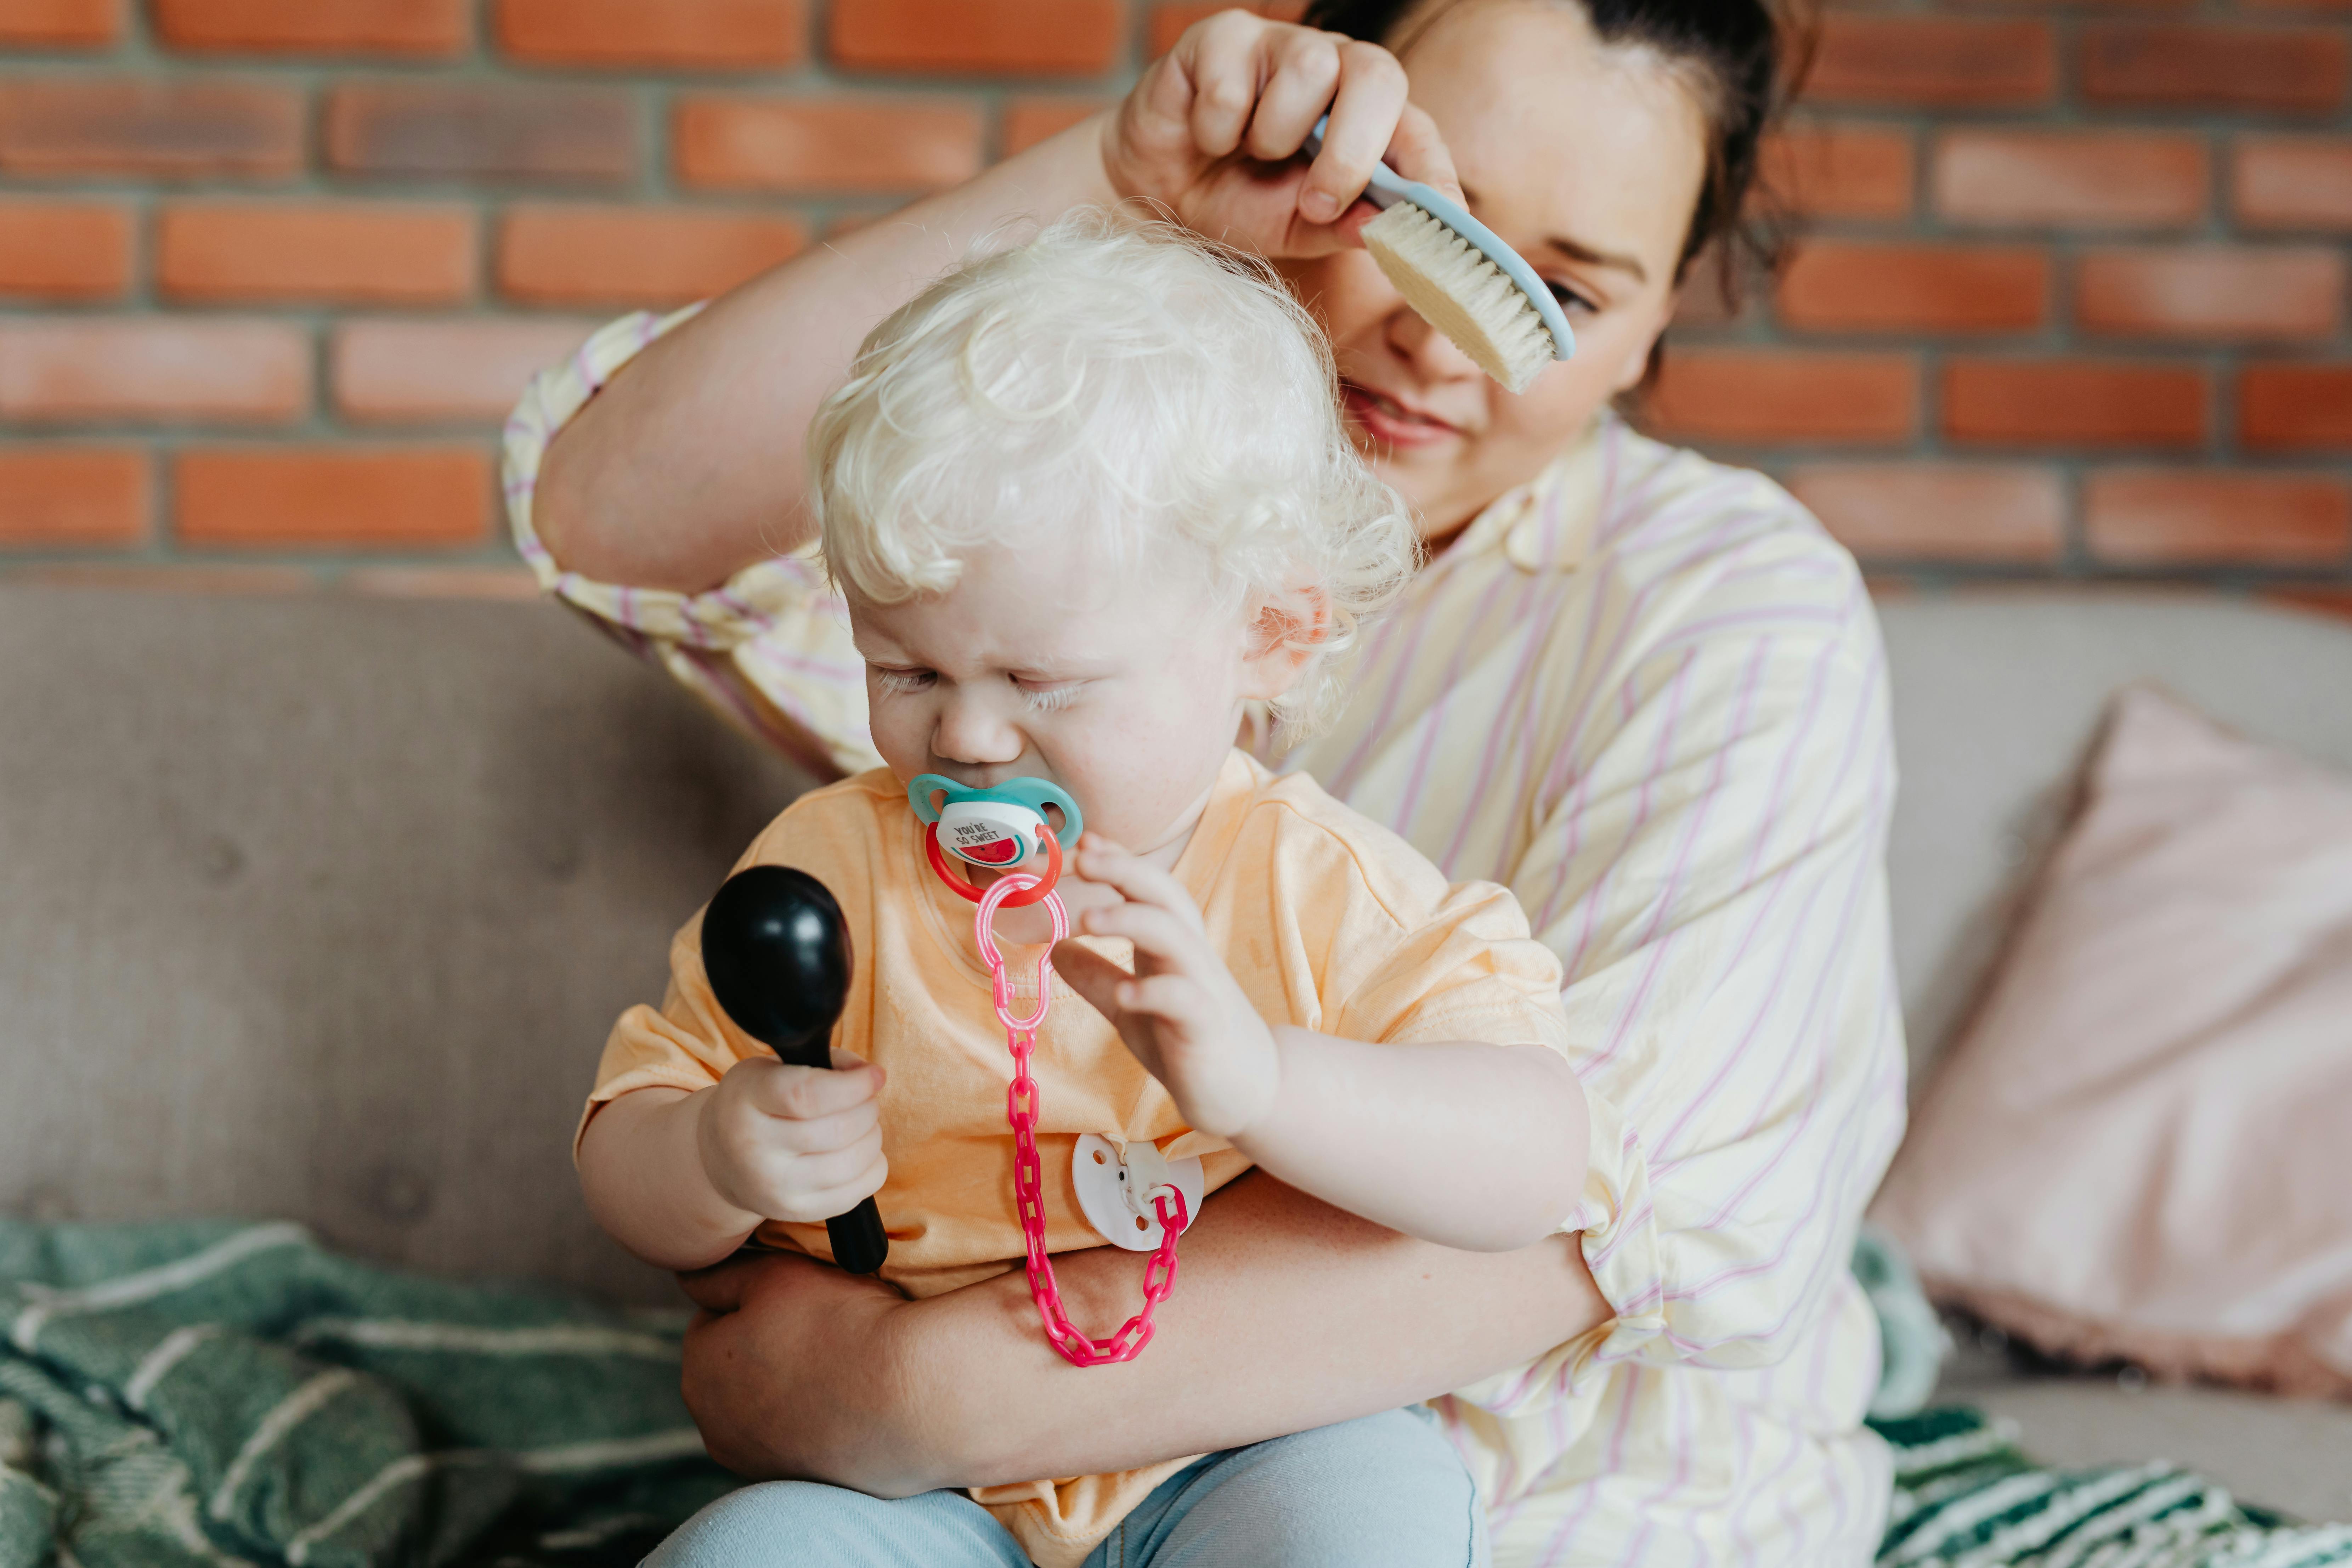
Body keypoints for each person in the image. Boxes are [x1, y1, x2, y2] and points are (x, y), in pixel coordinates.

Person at [504, 0, 1907, 1559]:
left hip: (1526, 1501)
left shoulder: (1725, 606)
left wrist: (889, 1390)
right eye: (1414, 224)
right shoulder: (1016, 530)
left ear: (1656, 330)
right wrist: (1117, 180)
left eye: (1551, 294)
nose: (1434, 339)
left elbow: (1605, 1206)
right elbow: (610, 529)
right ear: (1302, 154)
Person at [574, 214, 1589, 1568]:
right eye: (909, 673)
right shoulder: (831, 866)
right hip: (912, 1495)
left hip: (1248, 1450)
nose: (972, 739)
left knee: (1375, 1510)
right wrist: (709, 1153)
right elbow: (625, 1137)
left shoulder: (1319, 885)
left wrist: (1264, 1082)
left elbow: (1539, 1158)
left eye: (1044, 685)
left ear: (1269, 638)